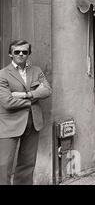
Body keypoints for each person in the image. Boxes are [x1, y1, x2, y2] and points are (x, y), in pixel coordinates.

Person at [0, 40, 52, 185]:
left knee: (27, 164)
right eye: (17, 52)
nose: (21, 54)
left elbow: (47, 90)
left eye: (24, 51)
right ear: (10, 54)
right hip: (9, 124)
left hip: (33, 122)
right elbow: (7, 102)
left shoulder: (36, 71)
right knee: (3, 166)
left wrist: (25, 95)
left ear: (29, 53)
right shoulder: (3, 75)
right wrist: (34, 98)